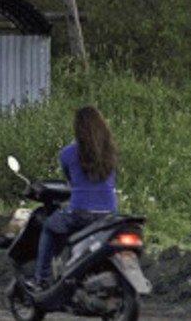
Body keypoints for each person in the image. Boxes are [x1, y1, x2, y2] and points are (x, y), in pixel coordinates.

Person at [31, 105, 117, 290]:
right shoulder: (110, 152)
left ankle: (41, 278)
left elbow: (71, 183)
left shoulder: (67, 153)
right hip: (109, 214)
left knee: (48, 227)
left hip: (80, 212)